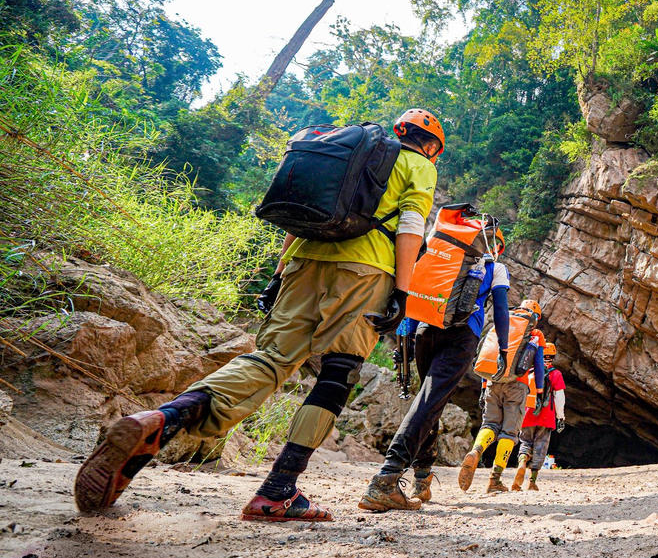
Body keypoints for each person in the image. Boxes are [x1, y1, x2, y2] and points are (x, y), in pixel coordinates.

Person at [73, 109, 444, 522]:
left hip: (303, 261)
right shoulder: (418, 165)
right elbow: (411, 227)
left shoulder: (356, 155)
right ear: (430, 146)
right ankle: (278, 490)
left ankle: (165, 416)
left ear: (399, 131)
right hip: (365, 271)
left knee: (267, 360)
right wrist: (403, 292)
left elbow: (305, 216)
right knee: (338, 374)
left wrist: (279, 272)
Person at [358, 224, 511, 512]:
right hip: (462, 335)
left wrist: (407, 335)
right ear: (496, 246)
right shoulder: (496, 267)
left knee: (430, 402)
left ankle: (422, 477)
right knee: (429, 402)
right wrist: (503, 347)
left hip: (424, 331)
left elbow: (418, 295)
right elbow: (501, 309)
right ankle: (386, 479)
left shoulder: (440, 257)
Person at [458, 300, 545, 494]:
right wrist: (539, 392)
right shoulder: (535, 334)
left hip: (492, 381)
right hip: (517, 386)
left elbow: (488, 354)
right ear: (535, 317)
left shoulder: (502, 322)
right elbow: (539, 366)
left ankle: (476, 450)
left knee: (489, 425)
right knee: (509, 433)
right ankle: (494, 479)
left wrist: (483, 386)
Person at [512, 342, 565, 492]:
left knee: (525, 442)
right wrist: (560, 417)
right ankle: (532, 481)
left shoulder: (529, 372)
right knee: (540, 446)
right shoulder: (556, 374)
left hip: (527, 414)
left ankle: (522, 461)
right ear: (553, 357)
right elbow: (559, 397)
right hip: (546, 416)